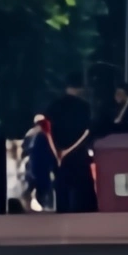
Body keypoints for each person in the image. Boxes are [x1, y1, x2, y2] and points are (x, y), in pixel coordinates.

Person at [45, 83, 98, 213]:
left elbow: (48, 130)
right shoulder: (83, 106)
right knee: (82, 186)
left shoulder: (54, 106)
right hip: (78, 152)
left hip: (59, 151)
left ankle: (63, 211)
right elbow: (88, 129)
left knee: (62, 185)